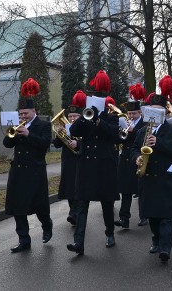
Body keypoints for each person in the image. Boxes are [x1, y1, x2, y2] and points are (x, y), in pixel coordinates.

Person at [66, 70, 120, 255]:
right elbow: (73, 129)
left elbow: (115, 134)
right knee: (82, 205)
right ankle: (78, 243)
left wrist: (98, 121)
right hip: (87, 166)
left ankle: (110, 232)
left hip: (105, 166)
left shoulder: (111, 116)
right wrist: (84, 116)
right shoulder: (85, 117)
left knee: (106, 203)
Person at [132, 93, 172, 263]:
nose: (155, 114)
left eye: (159, 111)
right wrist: (137, 158)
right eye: (152, 111)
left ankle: (165, 248)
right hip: (148, 179)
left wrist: (159, 142)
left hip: (166, 177)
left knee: (167, 216)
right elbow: (134, 148)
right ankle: (156, 240)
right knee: (153, 216)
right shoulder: (141, 131)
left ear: (164, 112)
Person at [4, 78, 53, 254]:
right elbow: (6, 144)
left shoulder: (44, 125)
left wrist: (28, 133)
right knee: (18, 207)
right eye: (21, 114)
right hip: (18, 171)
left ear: (34, 111)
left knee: (40, 206)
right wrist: (12, 134)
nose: (23, 117)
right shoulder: (17, 127)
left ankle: (47, 225)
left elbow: (45, 144)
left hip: (35, 171)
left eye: (26, 114)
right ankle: (24, 240)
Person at [115, 96, 146, 229]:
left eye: (134, 113)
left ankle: (144, 215)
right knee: (125, 190)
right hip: (125, 159)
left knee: (142, 189)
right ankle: (124, 218)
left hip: (139, 159)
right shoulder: (125, 123)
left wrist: (133, 132)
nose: (131, 116)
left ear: (140, 113)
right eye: (129, 113)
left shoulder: (145, 124)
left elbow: (144, 138)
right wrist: (121, 132)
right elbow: (120, 140)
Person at [53, 95, 83, 226]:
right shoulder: (65, 128)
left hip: (80, 161)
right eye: (70, 116)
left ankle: (75, 214)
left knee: (78, 187)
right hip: (67, 161)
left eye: (75, 116)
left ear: (80, 117)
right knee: (69, 188)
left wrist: (78, 143)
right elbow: (57, 144)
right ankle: (73, 212)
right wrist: (59, 134)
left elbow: (90, 142)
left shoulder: (84, 127)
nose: (72, 119)